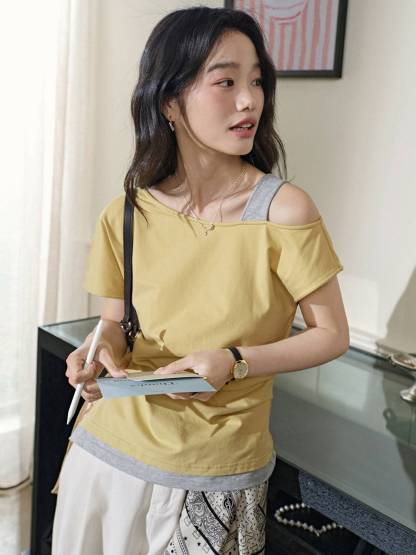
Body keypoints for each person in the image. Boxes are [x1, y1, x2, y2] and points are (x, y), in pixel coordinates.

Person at [51, 5, 349, 555]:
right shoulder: (127, 211)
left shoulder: (284, 211)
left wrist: (235, 360)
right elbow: (116, 322)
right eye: (226, 82)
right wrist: (98, 352)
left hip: (215, 471)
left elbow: (332, 335)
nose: (250, 101)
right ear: (169, 101)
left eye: (257, 81)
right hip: (106, 453)